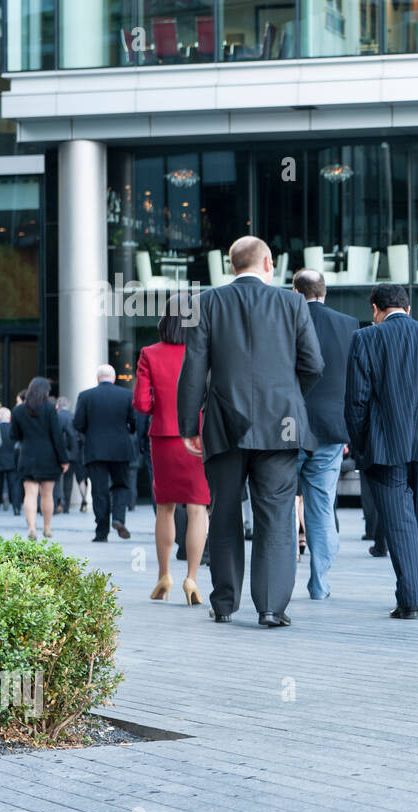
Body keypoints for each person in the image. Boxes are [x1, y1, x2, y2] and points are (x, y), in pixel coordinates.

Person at [177, 235, 324, 628]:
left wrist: (189, 425)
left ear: (230, 266)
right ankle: (271, 608)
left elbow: (193, 368)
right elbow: (313, 364)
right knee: (276, 516)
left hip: (224, 425)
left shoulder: (207, 301)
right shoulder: (293, 302)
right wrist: (289, 397)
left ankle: (225, 603)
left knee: (223, 512)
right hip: (282, 425)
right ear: (269, 264)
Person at [346, 284, 418, 618]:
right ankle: (414, 585)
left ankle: (411, 596)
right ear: (408, 308)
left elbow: (356, 400)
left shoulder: (365, 339)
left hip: (384, 443)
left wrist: (360, 444)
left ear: (375, 309)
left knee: (398, 517)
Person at [134, 294, 209, 606]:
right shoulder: (204, 351)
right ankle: (192, 578)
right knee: (197, 508)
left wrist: (159, 407)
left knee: (165, 507)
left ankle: (164, 575)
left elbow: (141, 403)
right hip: (198, 438)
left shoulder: (149, 353)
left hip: (163, 437)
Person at [292, 268, 359, 599]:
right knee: (321, 507)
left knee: (282, 507)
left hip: (287, 429)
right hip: (332, 431)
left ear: (295, 291)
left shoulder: (284, 319)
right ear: (324, 291)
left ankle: (281, 582)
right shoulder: (348, 325)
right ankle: (320, 585)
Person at [74, 363, 138, 542]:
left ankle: (101, 532)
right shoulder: (126, 395)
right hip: (120, 449)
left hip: (95, 450)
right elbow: (134, 422)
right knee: (121, 485)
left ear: (97, 378)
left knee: (99, 491)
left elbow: (78, 424)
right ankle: (118, 518)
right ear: (114, 378)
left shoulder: (85, 396)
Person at [9, 376, 69, 540]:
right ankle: (47, 527)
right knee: (47, 494)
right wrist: (63, 460)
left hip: (27, 455)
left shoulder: (18, 411)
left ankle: (31, 528)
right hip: (48, 457)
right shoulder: (50, 409)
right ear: (45, 392)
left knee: (29, 493)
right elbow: (57, 436)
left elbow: (14, 435)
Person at [52, 396, 79, 514]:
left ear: (57, 405)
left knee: (56, 480)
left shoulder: (55, 417)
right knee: (69, 480)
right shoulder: (74, 417)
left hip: (57, 453)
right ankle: (66, 505)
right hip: (72, 454)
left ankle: (56, 503)